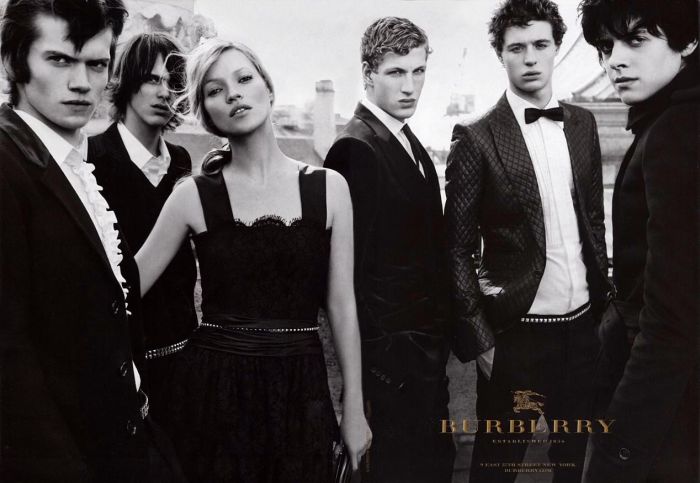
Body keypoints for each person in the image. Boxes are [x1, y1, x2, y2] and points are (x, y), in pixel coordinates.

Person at [135, 38, 371, 482]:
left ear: (268, 87)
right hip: (213, 397)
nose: (234, 94)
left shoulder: (330, 188)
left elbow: (342, 305)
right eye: (216, 90)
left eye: (244, 79)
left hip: (302, 392)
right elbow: (125, 292)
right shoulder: (191, 195)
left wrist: (354, 408)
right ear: (206, 113)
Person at [0, 0, 184, 481]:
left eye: (97, 64)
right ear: (12, 62)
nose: (82, 83)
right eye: (60, 59)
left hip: (130, 438)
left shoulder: (70, 160)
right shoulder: (7, 164)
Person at [445, 0, 610, 481]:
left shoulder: (583, 124)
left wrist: (604, 313)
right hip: (516, 337)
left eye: (541, 44)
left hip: (583, 332)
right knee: (495, 470)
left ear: (557, 47)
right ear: (500, 55)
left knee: (571, 466)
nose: (531, 58)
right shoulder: (475, 136)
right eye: (517, 48)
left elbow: (593, 222)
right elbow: (456, 249)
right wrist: (481, 342)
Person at [324, 16, 455, 483]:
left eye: (418, 72)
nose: (410, 86)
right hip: (393, 375)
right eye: (396, 72)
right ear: (367, 74)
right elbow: (347, 280)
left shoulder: (405, 139)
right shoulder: (355, 148)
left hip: (423, 366)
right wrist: (374, 380)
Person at [578, 0, 698, 481]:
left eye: (636, 40)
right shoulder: (668, 121)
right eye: (607, 47)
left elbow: (671, 320)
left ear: (689, 40)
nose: (615, 62)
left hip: (667, 416)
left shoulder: (675, 132)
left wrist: (618, 452)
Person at [89, 32, 197, 421]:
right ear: (127, 82)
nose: (164, 92)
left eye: (174, 83)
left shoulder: (182, 162)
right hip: (121, 365)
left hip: (184, 363)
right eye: (152, 79)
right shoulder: (91, 160)